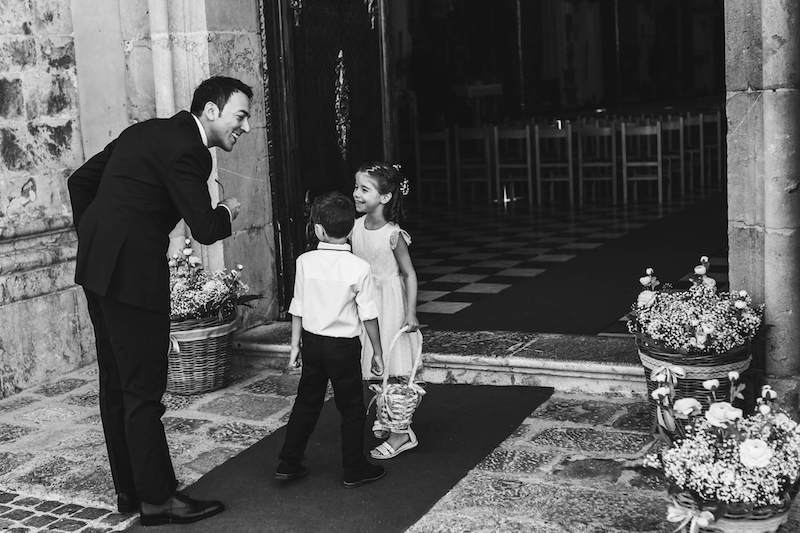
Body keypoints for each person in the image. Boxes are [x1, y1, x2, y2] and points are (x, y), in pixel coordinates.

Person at [67, 76, 252, 526]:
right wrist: (229, 207)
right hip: (132, 278)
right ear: (211, 110)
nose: (245, 127)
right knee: (143, 391)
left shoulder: (146, 130)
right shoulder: (189, 149)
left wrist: (98, 235)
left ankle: (130, 492)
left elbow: (79, 182)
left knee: (116, 383)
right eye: (240, 115)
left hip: (97, 268)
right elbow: (206, 227)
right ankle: (157, 500)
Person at [275, 191, 387, 488]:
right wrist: (377, 351)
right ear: (351, 229)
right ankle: (353, 467)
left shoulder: (304, 261)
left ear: (317, 230)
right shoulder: (359, 268)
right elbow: (368, 314)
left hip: (313, 343)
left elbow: (297, 306)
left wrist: (294, 346)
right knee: (351, 408)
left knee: (306, 402)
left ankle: (289, 461)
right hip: (343, 347)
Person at [351, 161, 422, 459]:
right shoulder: (354, 228)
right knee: (371, 365)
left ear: (385, 197)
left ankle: (401, 433)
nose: (356, 194)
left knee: (394, 368)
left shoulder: (393, 234)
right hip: (367, 304)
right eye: (356, 187)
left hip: (390, 303)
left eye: (364, 189)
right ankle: (385, 412)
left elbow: (409, 274)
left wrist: (410, 312)